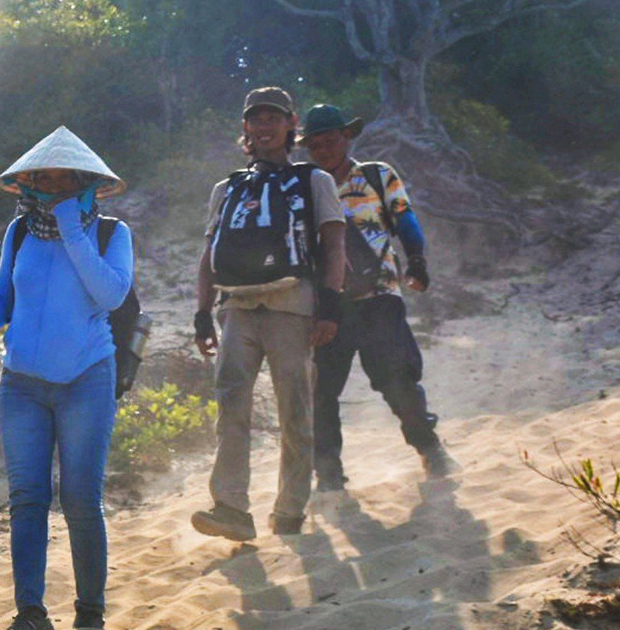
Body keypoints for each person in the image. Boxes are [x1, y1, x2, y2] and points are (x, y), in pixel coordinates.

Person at [0, 128, 134, 630]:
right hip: (21, 383)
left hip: (87, 379)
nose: (52, 186)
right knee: (27, 499)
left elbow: (112, 295)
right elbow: (1, 302)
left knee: (80, 499)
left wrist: (73, 226)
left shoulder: (110, 234)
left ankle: (90, 616)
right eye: (43, 178)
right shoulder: (20, 233)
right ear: (29, 182)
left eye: (64, 178)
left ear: (85, 182)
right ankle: (31, 614)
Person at [191, 88, 347, 542]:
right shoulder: (228, 188)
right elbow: (208, 254)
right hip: (236, 307)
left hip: (292, 306)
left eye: (272, 118)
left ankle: (290, 510)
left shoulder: (314, 181)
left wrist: (330, 305)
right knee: (231, 405)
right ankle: (231, 507)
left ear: (290, 124)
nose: (263, 127)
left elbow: (334, 244)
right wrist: (203, 313)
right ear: (245, 128)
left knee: (294, 412)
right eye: (255, 119)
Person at [298, 104, 453, 487]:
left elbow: (405, 219)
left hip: (380, 296)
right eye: (314, 144)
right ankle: (329, 475)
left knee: (398, 380)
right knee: (320, 393)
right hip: (327, 306)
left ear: (347, 137)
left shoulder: (377, 176)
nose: (323, 149)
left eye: (330, 140)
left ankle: (429, 449)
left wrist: (416, 259)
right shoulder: (303, 188)